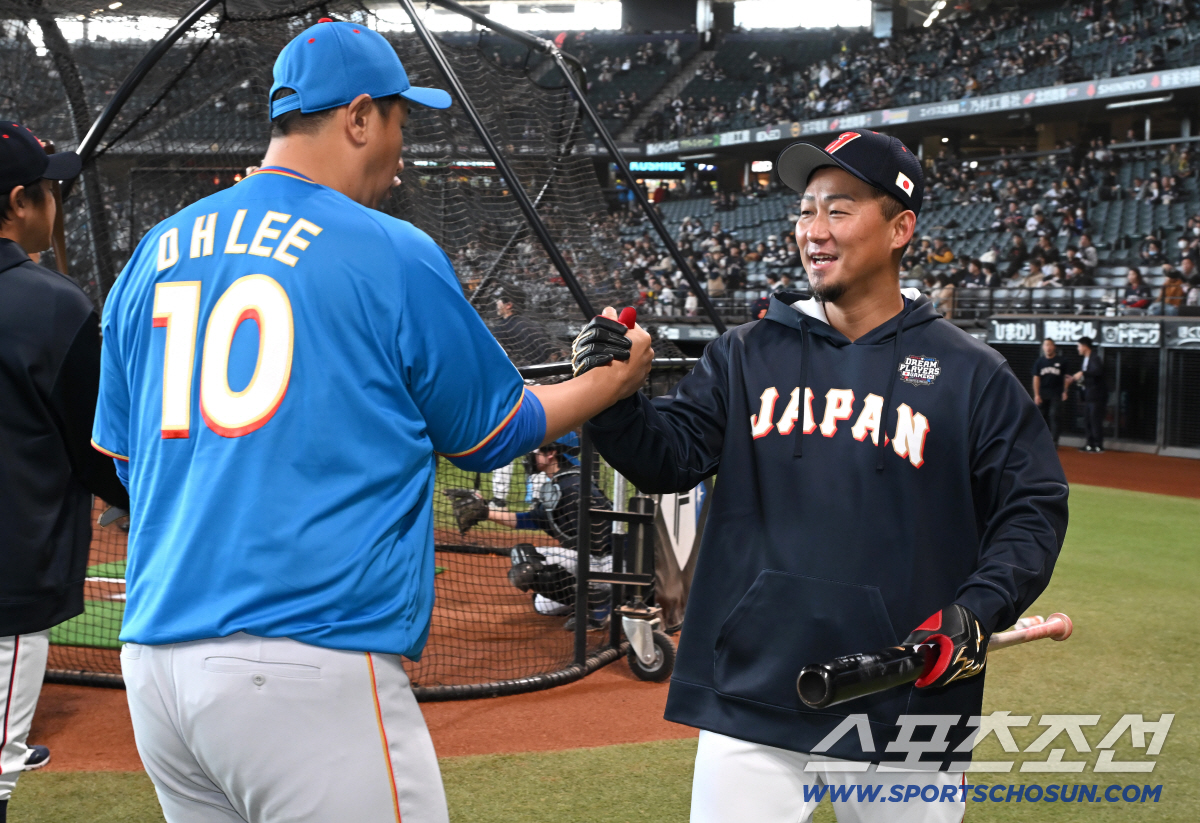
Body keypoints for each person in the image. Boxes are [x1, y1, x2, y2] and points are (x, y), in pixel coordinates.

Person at [91, 22, 653, 823]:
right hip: (308, 658)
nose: (402, 145)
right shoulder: (389, 248)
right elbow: (498, 430)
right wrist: (612, 377)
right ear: (357, 117)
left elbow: (123, 461)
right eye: (399, 118)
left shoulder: (156, 249)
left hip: (155, 666)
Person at [586, 129, 1067, 822]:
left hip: (907, 696)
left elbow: (1033, 511)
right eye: (805, 211)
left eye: (838, 209)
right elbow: (667, 456)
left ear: (901, 226)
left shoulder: (971, 374)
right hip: (754, 691)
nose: (813, 230)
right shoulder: (744, 355)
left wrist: (978, 610)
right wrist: (612, 397)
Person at [0, 122, 130, 823]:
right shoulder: (51, 302)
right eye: (50, 190)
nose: (56, 203)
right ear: (20, 202)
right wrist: (151, 500)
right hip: (11, 582)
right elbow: (100, 447)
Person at [448, 437, 615, 629]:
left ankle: (600, 607)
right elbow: (531, 519)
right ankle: (598, 598)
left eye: (534, 452)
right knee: (543, 604)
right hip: (596, 563)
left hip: (608, 563)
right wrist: (484, 512)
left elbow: (602, 534)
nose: (528, 458)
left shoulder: (573, 486)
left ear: (551, 454)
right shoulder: (564, 483)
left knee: (525, 557)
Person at [1070, 336, 1107, 452]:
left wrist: (1082, 373)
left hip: (1096, 396)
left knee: (1095, 420)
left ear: (1085, 346)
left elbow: (1097, 371)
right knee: (1087, 420)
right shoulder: (1085, 359)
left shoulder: (1095, 358)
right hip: (1087, 396)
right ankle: (1090, 444)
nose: (1078, 349)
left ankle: (1098, 444)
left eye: (1079, 346)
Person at [1031, 338, 1067, 445]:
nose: (1048, 347)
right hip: (1043, 393)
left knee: (1054, 415)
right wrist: (1036, 395)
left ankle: (1054, 440)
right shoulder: (1039, 362)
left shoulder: (1062, 361)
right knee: (1042, 417)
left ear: (1054, 347)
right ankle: (1042, 441)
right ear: (1043, 347)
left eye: (1050, 345)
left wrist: (1065, 391)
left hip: (1056, 393)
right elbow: (1036, 378)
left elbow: (1066, 377)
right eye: (1046, 345)